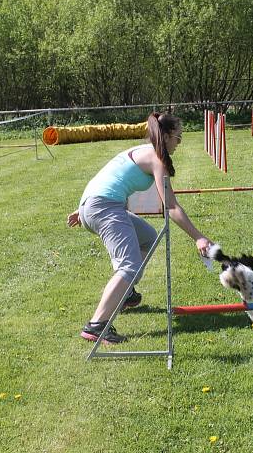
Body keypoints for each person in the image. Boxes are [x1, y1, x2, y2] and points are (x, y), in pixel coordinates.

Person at [67, 112, 213, 344]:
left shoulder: (140, 151)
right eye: (178, 137)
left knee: (147, 236)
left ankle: (125, 294)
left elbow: (108, 177)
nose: (179, 143)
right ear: (165, 135)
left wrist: (83, 208)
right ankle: (96, 326)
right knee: (129, 266)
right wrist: (198, 237)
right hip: (102, 207)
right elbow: (171, 206)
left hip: (94, 204)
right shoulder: (156, 158)